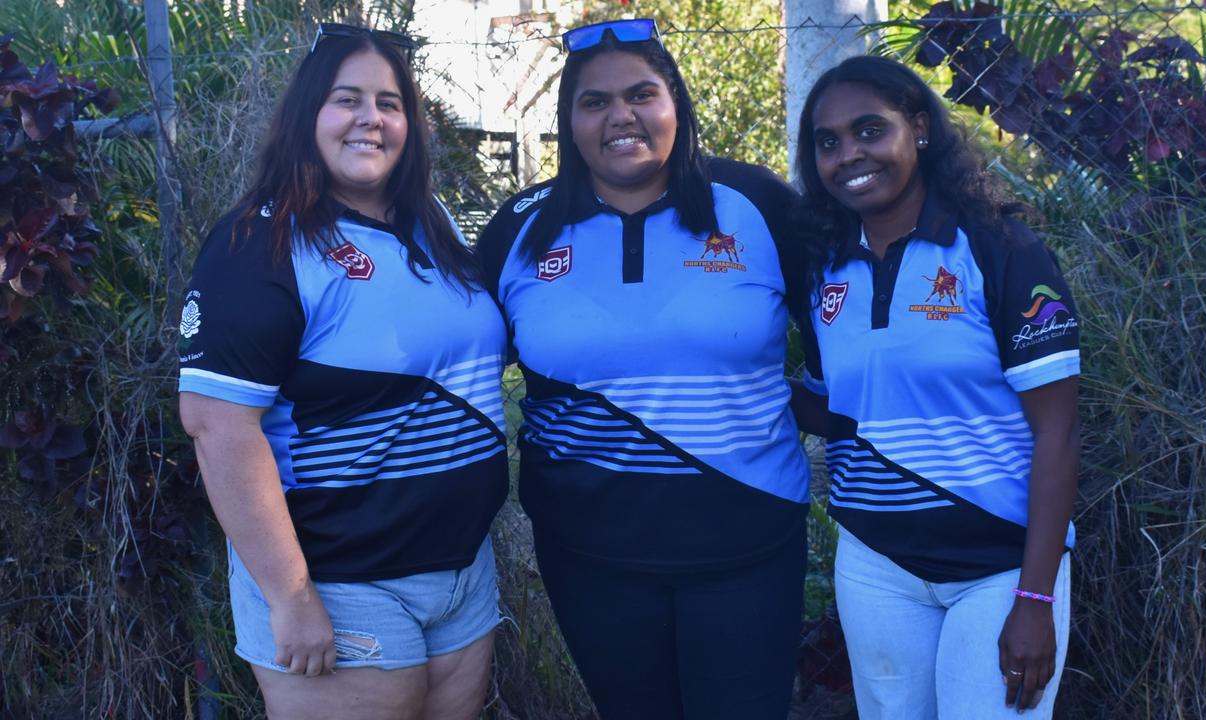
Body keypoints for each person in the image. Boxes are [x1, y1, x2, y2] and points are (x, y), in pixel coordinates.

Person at [477, 19, 811, 720]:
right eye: (594, 102)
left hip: (749, 542)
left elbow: (848, 332)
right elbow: (459, 366)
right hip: (587, 552)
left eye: (641, 94)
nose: (620, 116)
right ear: (569, 121)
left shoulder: (759, 206)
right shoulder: (521, 228)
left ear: (676, 104)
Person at [177, 24, 507, 720]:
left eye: (390, 103)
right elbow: (216, 427)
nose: (371, 119)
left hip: (460, 573)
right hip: (339, 578)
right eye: (346, 99)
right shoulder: (259, 242)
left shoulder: (433, 222)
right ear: (307, 116)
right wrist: (291, 597)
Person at [791, 55, 1081, 719]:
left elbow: (1058, 433)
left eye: (870, 130)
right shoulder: (823, 270)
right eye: (828, 142)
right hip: (877, 560)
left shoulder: (1000, 249)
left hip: (1000, 565)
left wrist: (1035, 599)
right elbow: (839, 409)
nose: (848, 155)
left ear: (918, 127)